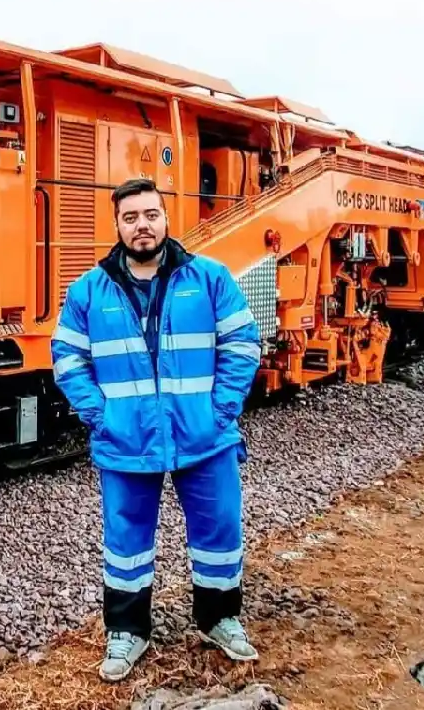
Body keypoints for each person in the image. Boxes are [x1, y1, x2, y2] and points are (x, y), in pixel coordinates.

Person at [50, 177, 262, 682]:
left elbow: (243, 344)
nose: (141, 225)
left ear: (166, 218)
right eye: (130, 217)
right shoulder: (88, 290)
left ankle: (220, 619)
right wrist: (100, 415)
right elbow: (66, 358)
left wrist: (221, 410)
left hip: (205, 439)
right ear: (117, 225)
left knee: (219, 532)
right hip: (126, 440)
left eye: (150, 214)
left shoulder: (210, 278)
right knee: (126, 542)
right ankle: (127, 632)